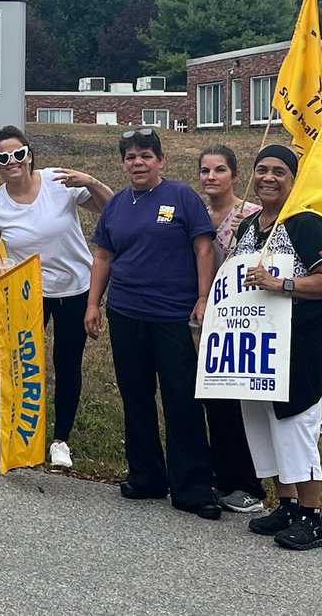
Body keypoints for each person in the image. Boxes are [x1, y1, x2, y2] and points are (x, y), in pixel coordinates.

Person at [84, 127, 220, 519]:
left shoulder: (181, 197)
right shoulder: (116, 205)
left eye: (145, 155)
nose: (138, 162)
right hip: (126, 313)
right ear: (123, 163)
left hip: (173, 316)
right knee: (136, 395)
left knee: (183, 400)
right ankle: (146, 476)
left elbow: (203, 246)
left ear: (160, 160)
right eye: (130, 157)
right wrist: (94, 304)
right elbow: (103, 258)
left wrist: (202, 296)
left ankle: (193, 487)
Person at [0, 126, 113, 469]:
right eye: (3, 157)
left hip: (75, 287)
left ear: (30, 155)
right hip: (27, 292)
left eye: (19, 154)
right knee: (16, 362)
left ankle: (60, 441)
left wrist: (90, 181)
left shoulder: (57, 181)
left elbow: (112, 210)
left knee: (67, 364)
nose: (12, 162)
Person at [234, 144, 322, 551]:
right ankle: (286, 503)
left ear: (293, 179)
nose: (268, 177)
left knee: (296, 425)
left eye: (279, 171)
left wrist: (281, 284)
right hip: (256, 344)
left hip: (299, 344)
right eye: (261, 169)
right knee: (266, 424)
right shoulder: (248, 226)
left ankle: (312, 518)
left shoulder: (305, 223)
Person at [197, 144, 266, 514]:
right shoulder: (195, 213)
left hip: (242, 323)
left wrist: (248, 234)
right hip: (204, 320)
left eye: (220, 170)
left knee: (239, 404)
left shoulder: (253, 214)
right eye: (206, 170)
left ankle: (247, 483)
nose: (212, 177)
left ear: (236, 175)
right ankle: (219, 474)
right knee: (212, 401)